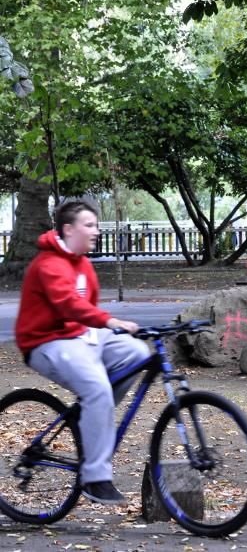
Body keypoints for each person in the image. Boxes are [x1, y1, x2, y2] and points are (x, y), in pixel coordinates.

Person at [15, 200, 150, 505]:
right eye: (89, 225)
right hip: (45, 341)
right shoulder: (48, 263)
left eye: (96, 225)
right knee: (98, 388)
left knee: (138, 353)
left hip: (78, 335)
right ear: (68, 229)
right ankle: (95, 478)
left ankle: (92, 411)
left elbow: (86, 308)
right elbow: (70, 305)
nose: (96, 231)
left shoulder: (83, 263)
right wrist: (111, 321)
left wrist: (105, 328)